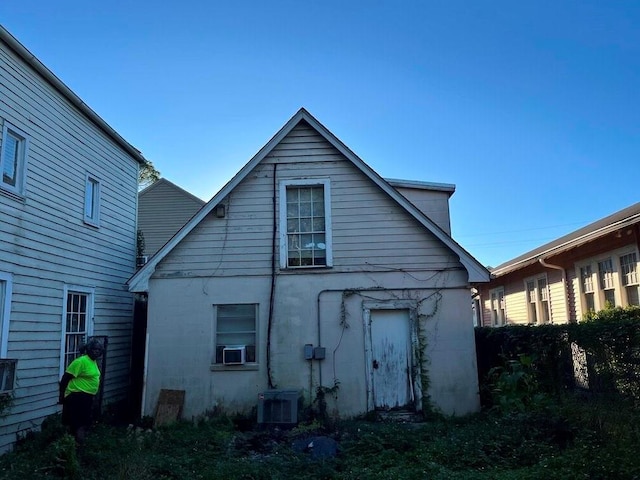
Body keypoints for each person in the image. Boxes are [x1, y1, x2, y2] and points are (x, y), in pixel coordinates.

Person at [59, 338, 104, 443]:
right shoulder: (81, 361)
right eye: (94, 349)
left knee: (84, 423)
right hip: (76, 396)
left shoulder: (92, 362)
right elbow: (66, 378)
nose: (96, 351)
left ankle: (74, 447)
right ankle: (76, 447)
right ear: (88, 349)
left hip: (86, 397)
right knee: (79, 424)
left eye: (98, 350)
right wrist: (62, 396)